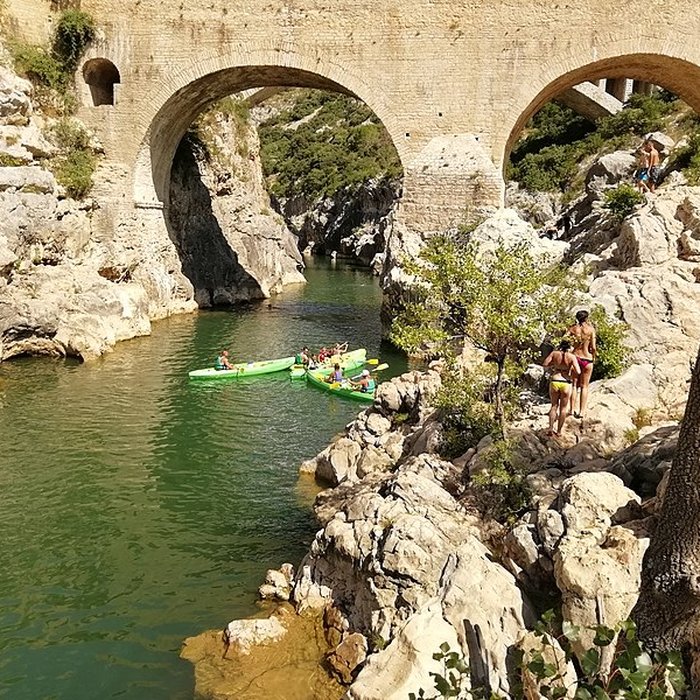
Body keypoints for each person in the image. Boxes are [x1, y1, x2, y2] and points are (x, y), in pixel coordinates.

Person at [543, 340, 581, 436]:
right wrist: (570, 368)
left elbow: (545, 363)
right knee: (563, 408)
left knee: (554, 406)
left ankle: (551, 428)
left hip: (555, 380)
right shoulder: (572, 357)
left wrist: (553, 366)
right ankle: (559, 431)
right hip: (566, 382)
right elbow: (578, 371)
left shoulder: (554, 353)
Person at [568, 309, 597, 420]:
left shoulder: (573, 329)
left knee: (574, 384)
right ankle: (582, 411)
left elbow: (564, 340)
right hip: (587, 358)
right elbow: (593, 347)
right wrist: (594, 356)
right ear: (586, 318)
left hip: (575, 357)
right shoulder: (590, 330)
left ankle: (571, 409)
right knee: (584, 386)